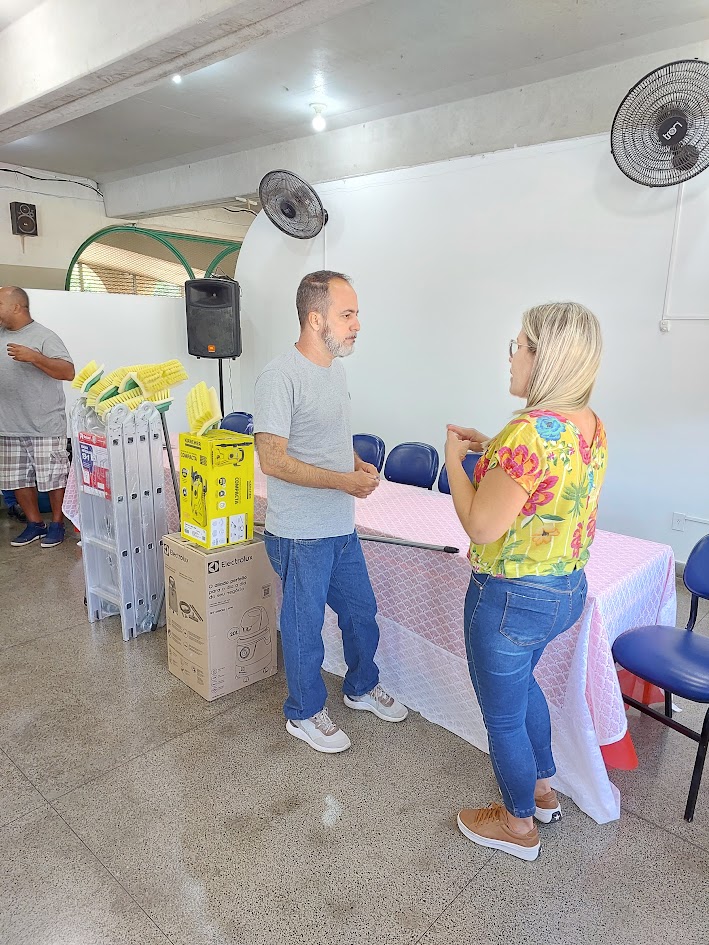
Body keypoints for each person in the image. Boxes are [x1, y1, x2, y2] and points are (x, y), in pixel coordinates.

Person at [445, 301, 606, 861]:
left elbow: (481, 526)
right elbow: (547, 476)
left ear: (545, 357)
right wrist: (491, 449)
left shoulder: (527, 433)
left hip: (512, 598)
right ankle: (541, 791)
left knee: (503, 717)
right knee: (524, 685)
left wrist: (454, 462)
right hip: (566, 591)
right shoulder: (588, 425)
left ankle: (517, 826)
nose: (511, 356)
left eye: (518, 345)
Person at [254, 270, 408, 754]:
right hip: (300, 534)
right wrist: (344, 481)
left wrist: (353, 463)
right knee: (304, 627)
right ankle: (303, 712)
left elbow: (325, 438)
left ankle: (361, 687)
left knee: (361, 613)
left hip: (341, 527)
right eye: (347, 314)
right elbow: (272, 460)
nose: (357, 324)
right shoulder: (279, 377)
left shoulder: (335, 370)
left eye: (356, 314)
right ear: (315, 319)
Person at [0, 286, 75, 547]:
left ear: (16, 307)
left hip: (44, 425)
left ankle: (57, 524)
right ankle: (35, 524)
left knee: (54, 478)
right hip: (8, 425)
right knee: (16, 479)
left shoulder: (44, 336)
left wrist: (35, 357)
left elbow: (68, 372)